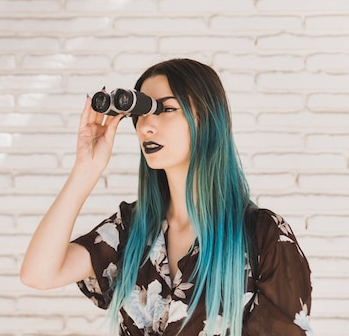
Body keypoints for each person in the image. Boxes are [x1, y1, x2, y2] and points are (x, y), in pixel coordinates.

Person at [20, 58, 313, 336]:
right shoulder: (132, 229)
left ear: (205, 117)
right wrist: (86, 169)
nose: (146, 125)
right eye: (141, 113)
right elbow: (39, 273)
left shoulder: (264, 236)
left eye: (166, 109)